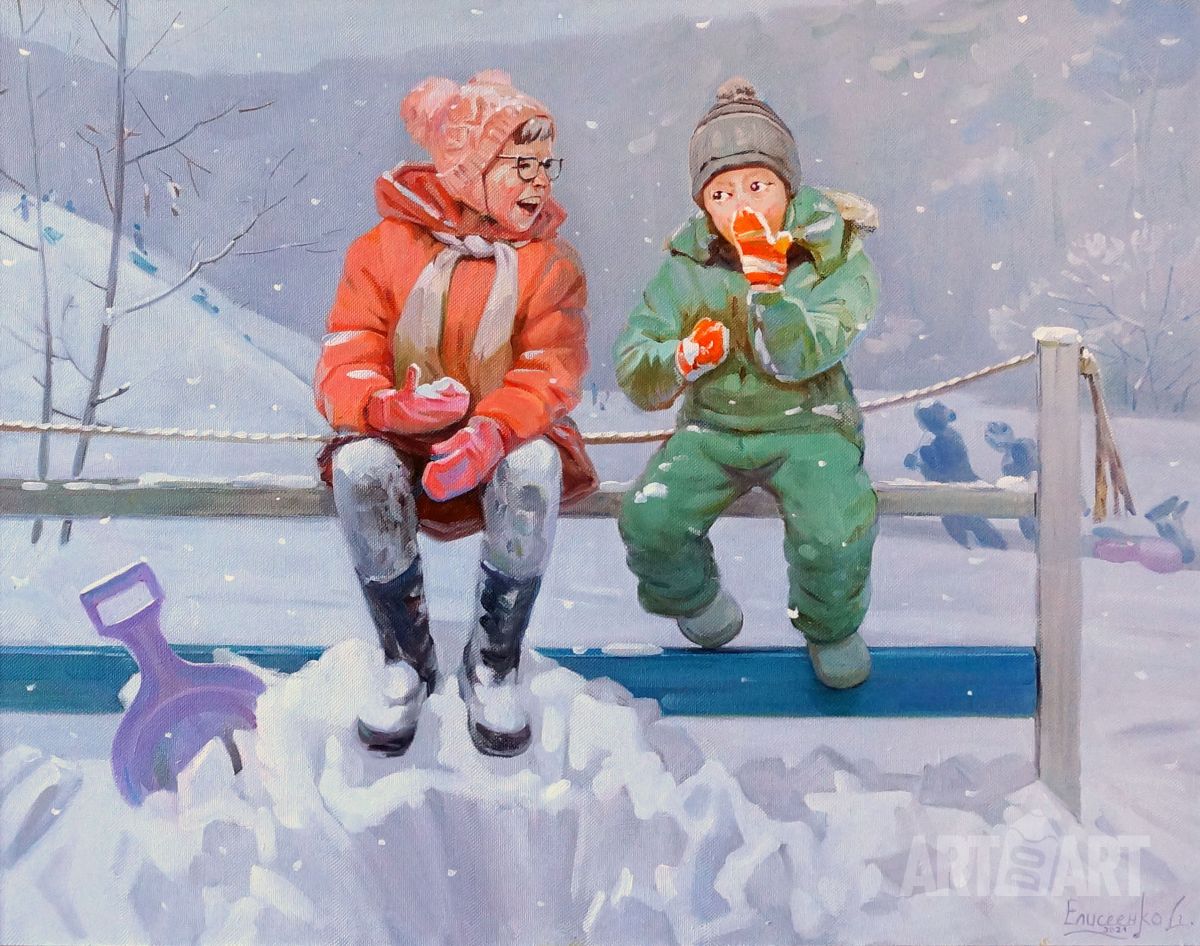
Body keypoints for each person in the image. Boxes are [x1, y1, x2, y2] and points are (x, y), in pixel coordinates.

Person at [314, 71, 596, 757]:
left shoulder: (550, 265)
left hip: (504, 441)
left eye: (546, 165)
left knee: (535, 468)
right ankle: (405, 658)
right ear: (470, 171)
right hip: (405, 449)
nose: (540, 182)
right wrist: (388, 407)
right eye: (521, 165)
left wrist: (491, 429)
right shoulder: (382, 250)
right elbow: (347, 352)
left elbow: (551, 368)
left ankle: (494, 661)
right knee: (360, 467)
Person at [614, 78, 880, 689]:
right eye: (722, 193)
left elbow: (810, 352)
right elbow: (635, 366)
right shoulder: (688, 268)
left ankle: (831, 627)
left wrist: (772, 294)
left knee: (833, 532)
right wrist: (681, 358)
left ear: (788, 186)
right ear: (704, 205)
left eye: (758, 186)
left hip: (810, 427)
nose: (742, 206)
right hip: (712, 430)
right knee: (650, 519)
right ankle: (696, 600)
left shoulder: (832, 256)